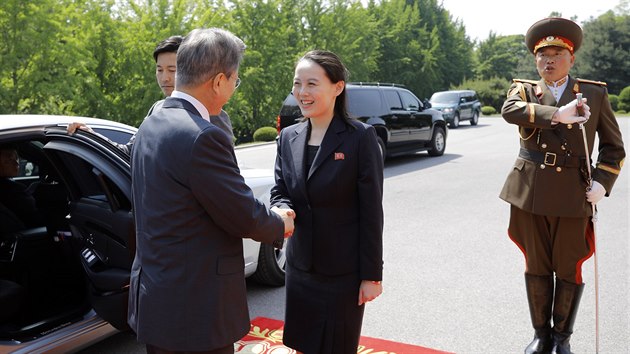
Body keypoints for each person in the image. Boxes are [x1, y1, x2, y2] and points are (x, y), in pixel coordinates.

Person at [127, 28, 295, 354]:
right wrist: (279, 222)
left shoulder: (152, 123)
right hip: (195, 311)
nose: (234, 87)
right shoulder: (203, 135)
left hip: (158, 302)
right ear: (218, 81)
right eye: (235, 80)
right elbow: (241, 214)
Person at [500, 17, 625, 354]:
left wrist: (603, 181)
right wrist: (557, 115)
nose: (548, 61)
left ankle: (561, 339)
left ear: (571, 58)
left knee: (569, 266)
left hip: (573, 193)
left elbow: (614, 147)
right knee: (536, 265)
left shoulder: (594, 93)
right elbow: (509, 110)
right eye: (542, 55)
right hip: (530, 192)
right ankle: (541, 335)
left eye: (557, 53)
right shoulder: (523, 90)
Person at [270, 50, 384, 354]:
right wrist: (281, 208)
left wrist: (372, 274)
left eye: (312, 84)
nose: (302, 93)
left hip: (343, 273)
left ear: (337, 87)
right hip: (300, 267)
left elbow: (371, 211)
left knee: (336, 346)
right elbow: (280, 187)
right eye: (297, 84)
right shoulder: (288, 136)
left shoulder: (359, 137)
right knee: (301, 344)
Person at [67, 35, 235, 149]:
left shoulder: (213, 114)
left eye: (172, 70)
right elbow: (130, 151)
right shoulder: (157, 109)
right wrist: (92, 136)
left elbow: (227, 174)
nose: (165, 78)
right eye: (160, 70)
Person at [0, 145, 42, 229]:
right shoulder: (14, 190)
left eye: (16, 158)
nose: (16, 163)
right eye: (8, 161)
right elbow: (35, 218)